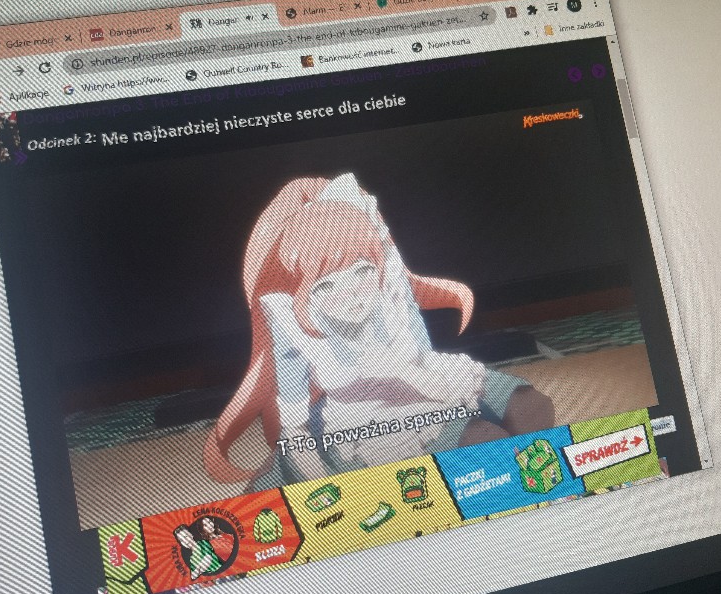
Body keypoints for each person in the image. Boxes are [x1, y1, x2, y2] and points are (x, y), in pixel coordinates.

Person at [203, 174, 553, 487]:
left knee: (531, 408)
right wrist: (321, 484)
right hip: (360, 416)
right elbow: (295, 426)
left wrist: (440, 382)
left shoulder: (390, 283)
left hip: (427, 375)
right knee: (487, 444)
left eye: (361, 271)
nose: (352, 294)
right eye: (326, 285)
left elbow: (421, 360)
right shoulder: (293, 324)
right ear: (305, 292)